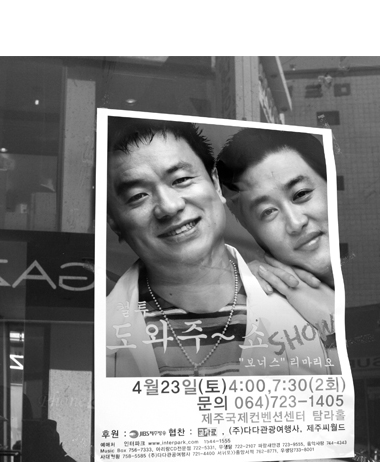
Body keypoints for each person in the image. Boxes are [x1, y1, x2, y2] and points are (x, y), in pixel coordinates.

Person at [105, 117, 337, 377]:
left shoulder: (308, 309)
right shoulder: (100, 329)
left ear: (215, 183)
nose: (169, 206)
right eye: (138, 196)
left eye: (181, 180)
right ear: (113, 221)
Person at [215, 128, 337, 360]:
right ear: (253, 232)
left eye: (301, 194)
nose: (295, 223)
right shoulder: (253, 306)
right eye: (268, 212)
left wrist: (331, 320)